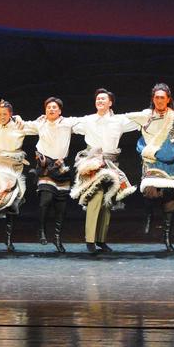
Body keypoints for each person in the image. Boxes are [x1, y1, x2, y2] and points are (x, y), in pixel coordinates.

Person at [69, 88, 139, 254]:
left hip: (110, 164)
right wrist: (48, 119)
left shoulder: (119, 120)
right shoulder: (88, 120)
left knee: (108, 201)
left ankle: (101, 239)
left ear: (110, 103)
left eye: (103, 99)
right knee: (96, 196)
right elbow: (66, 123)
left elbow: (142, 120)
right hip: (93, 163)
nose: (100, 101)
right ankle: (90, 240)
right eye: (98, 99)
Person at [125, 83, 174, 252]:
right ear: (153, 99)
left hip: (171, 165)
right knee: (150, 191)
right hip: (153, 162)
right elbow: (124, 120)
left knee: (171, 198)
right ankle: (149, 214)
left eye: (162, 97)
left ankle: (167, 237)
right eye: (157, 97)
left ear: (168, 99)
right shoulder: (146, 116)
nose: (159, 100)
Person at [21, 97, 79, 253]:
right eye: (48, 108)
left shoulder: (67, 123)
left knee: (61, 207)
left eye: (54, 107)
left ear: (60, 110)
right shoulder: (40, 123)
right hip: (45, 166)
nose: (51, 110)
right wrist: (16, 118)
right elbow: (22, 125)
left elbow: (86, 122)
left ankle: (57, 238)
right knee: (45, 200)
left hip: (60, 166)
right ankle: (41, 230)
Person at [0, 100, 30, 252]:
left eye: (5, 114)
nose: (2, 116)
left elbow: (38, 126)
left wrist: (19, 118)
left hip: (14, 165)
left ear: (11, 114)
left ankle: (8, 238)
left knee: (13, 200)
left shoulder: (19, 126)